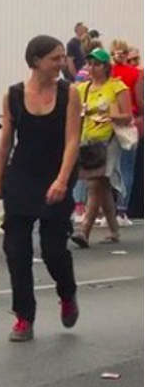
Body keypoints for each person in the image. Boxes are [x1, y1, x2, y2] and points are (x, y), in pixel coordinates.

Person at [0, 36, 81, 343]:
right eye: (55, 58)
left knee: (53, 249)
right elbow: (5, 145)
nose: (61, 64)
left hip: (56, 174)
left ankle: (67, 293)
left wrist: (62, 180)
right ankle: (24, 317)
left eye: (63, 58)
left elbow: (72, 140)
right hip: (23, 175)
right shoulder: (14, 95)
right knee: (16, 250)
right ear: (36, 60)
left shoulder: (70, 93)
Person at [70, 48, 133, 247]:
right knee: (102, 184)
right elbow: (74, 114)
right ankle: (114, 229)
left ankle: (84, 230)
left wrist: (112, 115)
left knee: (95, 182)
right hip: (89, 139)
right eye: (90, 64)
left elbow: (127, 116)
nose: (92, 68)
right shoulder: (83, 88)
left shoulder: (116, 87)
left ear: (106, 67)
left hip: (110, 139)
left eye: (97, 64)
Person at [109, 39, 143, 226]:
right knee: (127, 167)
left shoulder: (108, 73)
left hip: (108, 122)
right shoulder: (135, 74)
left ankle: (105, 210)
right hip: (129, 121)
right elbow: (139, 100)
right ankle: (122, 210)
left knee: (108, 167)